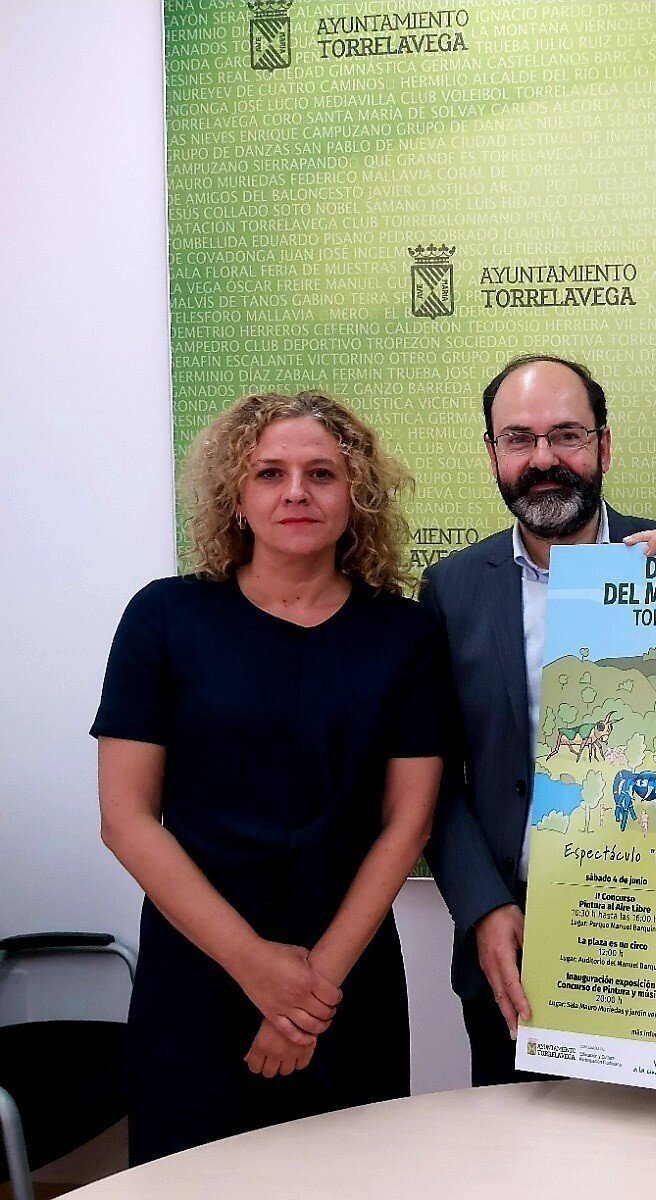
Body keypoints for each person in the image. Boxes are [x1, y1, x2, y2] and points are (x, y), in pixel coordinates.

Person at [93, 391, 447, 1164]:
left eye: (322, 473)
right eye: (269, 473)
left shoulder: (406, 632)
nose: (296, 492)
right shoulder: (164, 618)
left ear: (356, 496)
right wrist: (257, 967)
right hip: (199, 972)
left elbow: (409, 823)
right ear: (236, 497)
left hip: (346, 976)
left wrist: (310, 994)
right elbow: (124, 817)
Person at [421, 354, 656, 1085]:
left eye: (567, 435)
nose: (543, 460)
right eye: (519, 439)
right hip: (515, 943)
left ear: (604, 446)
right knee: (525, 1146)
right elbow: (432, 778)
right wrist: (482, 908)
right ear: (492, 453)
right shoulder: (452, 589)